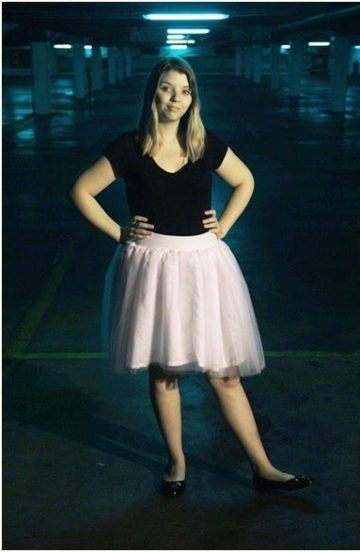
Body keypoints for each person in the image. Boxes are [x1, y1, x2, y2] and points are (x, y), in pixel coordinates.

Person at [69, 56, 312, 497]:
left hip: (203, 264)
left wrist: (226, 226)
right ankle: (177, 462)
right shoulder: (130, 146)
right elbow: (80, 190)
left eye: (184, 91)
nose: (176, 98)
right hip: (152, 267)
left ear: (192, 97)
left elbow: (246, 181)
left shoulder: (203, 143)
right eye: (167, 88)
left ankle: (263, 467)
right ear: (153, 93)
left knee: (225, 373)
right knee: (165, 372)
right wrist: (118, 232)